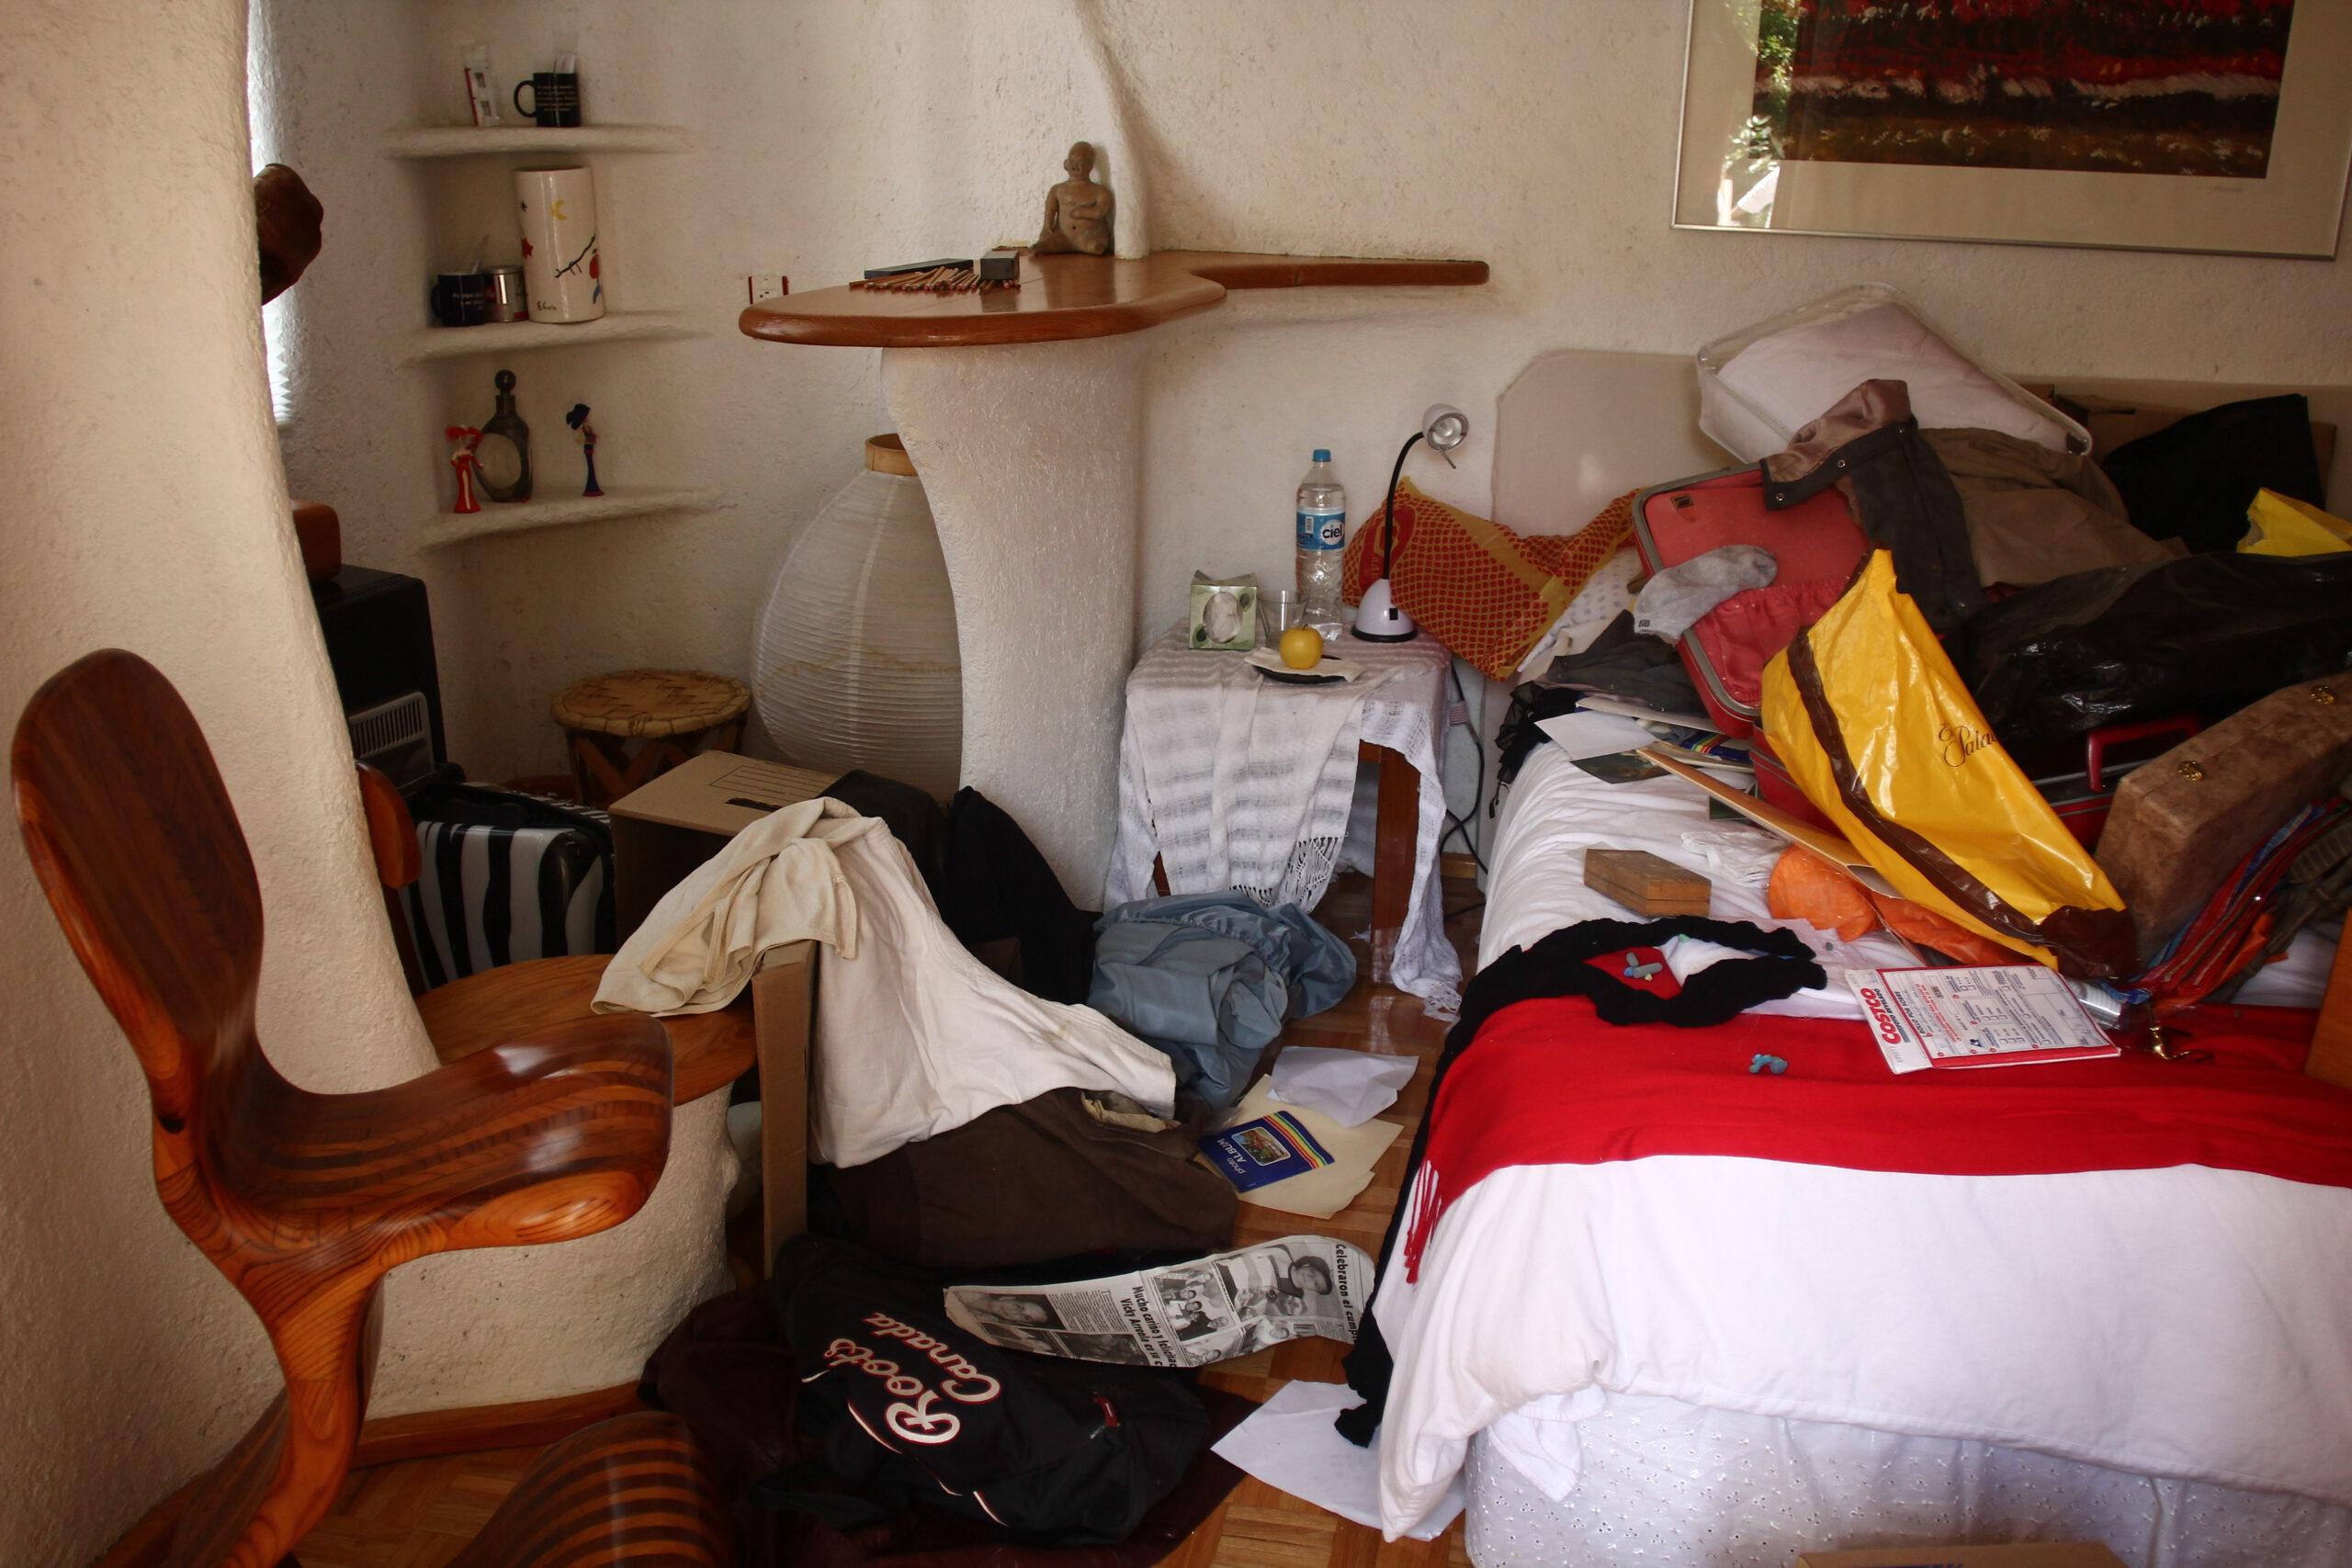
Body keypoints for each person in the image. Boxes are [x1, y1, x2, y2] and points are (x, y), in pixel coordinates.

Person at [1035, 141, 1114, 256]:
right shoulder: (1057, 189)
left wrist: (1082, 212)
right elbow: (1050, 211)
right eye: (1072, 161)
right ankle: (1055, 244)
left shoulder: (1100, 191)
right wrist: (1047, 229)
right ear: (1065, 164)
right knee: (1044, 245)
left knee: (1096, 246)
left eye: (1081, 162)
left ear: (1090, 166)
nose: (1075, 165)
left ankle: (1092, 245)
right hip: (1063, 236)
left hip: (1088, 237)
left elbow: (1100, 211)